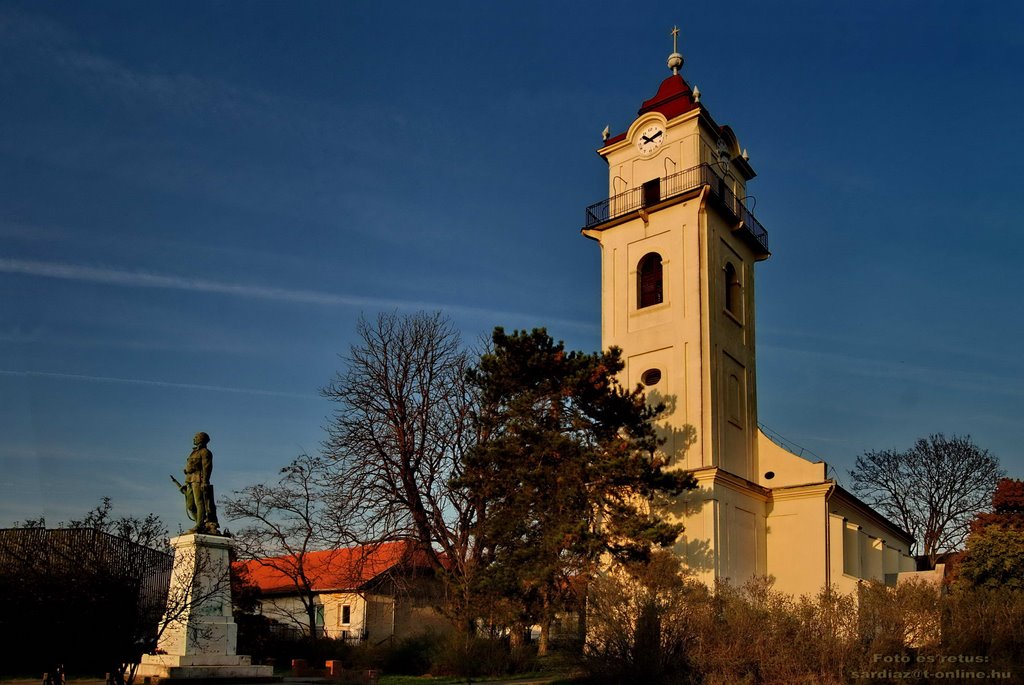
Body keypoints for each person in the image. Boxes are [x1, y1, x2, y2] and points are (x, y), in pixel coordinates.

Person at [181, 431, 220, 534]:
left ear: (201, 439)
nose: (194, 439)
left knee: (199, 503)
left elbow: (207, 467)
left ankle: (199, 525)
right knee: (190, 505)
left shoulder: (205, 452)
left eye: (196, 437)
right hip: (190, 479)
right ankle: (200, 522)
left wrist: (205, 481)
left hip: (199, 479)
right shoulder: (194, 452)